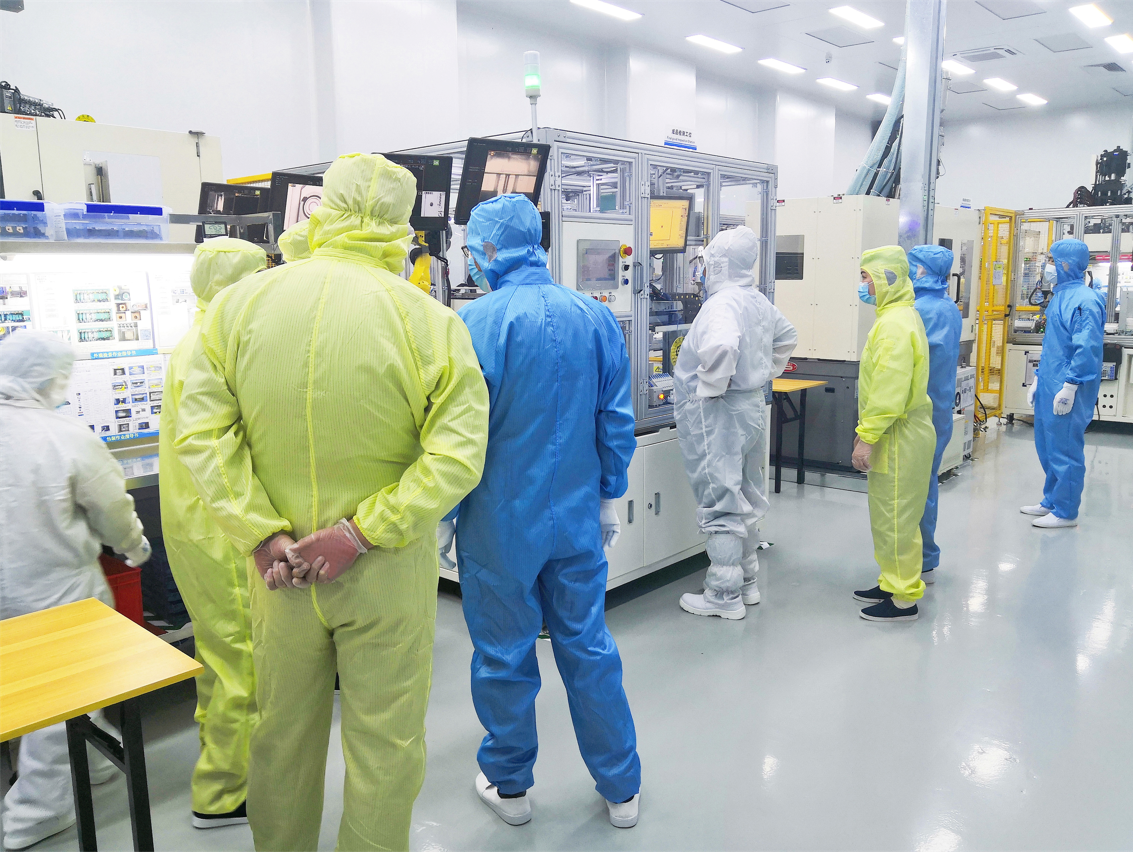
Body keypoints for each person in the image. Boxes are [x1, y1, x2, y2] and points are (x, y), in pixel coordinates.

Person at [175, 153, 490, 852]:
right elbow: (458, 454)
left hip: (278, 573)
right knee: (386, 745)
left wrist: (260, 533)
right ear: (404, 226)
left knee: (281, 738)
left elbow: (200, 435)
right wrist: (359, 534)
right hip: (384, 573)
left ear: (321, 209)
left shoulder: (238, 307)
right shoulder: (429, 321)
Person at [441, 193, 641, 829]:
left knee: (504, 655)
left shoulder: (473, 324)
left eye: (472, 249)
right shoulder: (595, 316)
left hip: (498, 522)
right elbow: (614, 420)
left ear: (488, 250)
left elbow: (456, 435)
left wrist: (444, 514)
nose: (470, 260)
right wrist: (609, 494)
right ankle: (622, 789)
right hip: (577, 517)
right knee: (588, 646)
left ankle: (510, 788)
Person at [0, 331, 151, 850]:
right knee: (60, 696)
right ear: (52, 378)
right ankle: (35, 815)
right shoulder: (63, 434)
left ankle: (89, 760)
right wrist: (134, 548)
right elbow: (112, 507)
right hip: (56, 589)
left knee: (24, 692)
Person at [158, 238, 266, 829]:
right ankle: (224, 795)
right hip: (219, 527)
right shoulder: (217, 345)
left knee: (222, 654)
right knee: (239, 661)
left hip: (196, 523)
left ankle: (227, 770)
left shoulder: (198, 337)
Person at [674, 226, 797, 620]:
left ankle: (722, 595)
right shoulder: (756, 300)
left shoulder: (722, 304)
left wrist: (712, 387)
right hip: (751, 407)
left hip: (720, 412)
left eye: (706, 262)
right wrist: (760, 372)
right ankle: (747, 582)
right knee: (745, 493)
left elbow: (723, 345)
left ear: (718, 264)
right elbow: (787, 336)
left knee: (721, 500)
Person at [851, 246, 936, 622]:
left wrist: (868, 435)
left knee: (897, 516)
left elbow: (889, 387)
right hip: (897, 431)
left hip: (898, 434)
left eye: (866, 277)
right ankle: (891, 580)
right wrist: (868, 433)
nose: (863, 285)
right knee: (889, 514)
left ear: (886, 278)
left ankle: (903, 598)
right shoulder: (899, 316)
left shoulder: (894, 325)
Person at [1021, 238, 1105, 528]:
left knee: (1065, 448)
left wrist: (1070, 386)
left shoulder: (1084, 300)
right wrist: (1038, 378)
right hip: (1050, 381)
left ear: (1066, 264)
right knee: (1048, 444)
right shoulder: (1060, 296)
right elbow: (1054, 345)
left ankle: (1066, 511)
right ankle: (1051, 501)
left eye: (1051, 260)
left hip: (1068, 385)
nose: (1047, 266)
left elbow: (1086, 348)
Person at [907, 244, 962, 585]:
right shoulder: (947, 306)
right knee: (923, 484)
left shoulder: (920, 310)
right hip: (936, 408)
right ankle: (923, 558)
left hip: (919, 411)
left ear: (921, 270)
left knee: (913, 488)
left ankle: (917, 561)